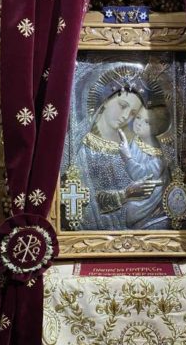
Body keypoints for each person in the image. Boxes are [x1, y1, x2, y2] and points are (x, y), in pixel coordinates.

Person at [71, 67, 164, 230]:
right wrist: (125, 194)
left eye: (133, 113)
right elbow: (80, 202)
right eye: (122, 105)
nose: (126, 116)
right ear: (105, 100)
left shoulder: (134, 148)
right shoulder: (80, 148)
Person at [118, 105, 171, 229]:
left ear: (156, 129)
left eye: (147, 122)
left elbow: (142, 176)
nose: (139, 123)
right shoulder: (135, 141)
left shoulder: (159, 156)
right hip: (133, 190)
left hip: (147, 199)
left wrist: (127, 157)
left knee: (130, 210)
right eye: (138, 117)